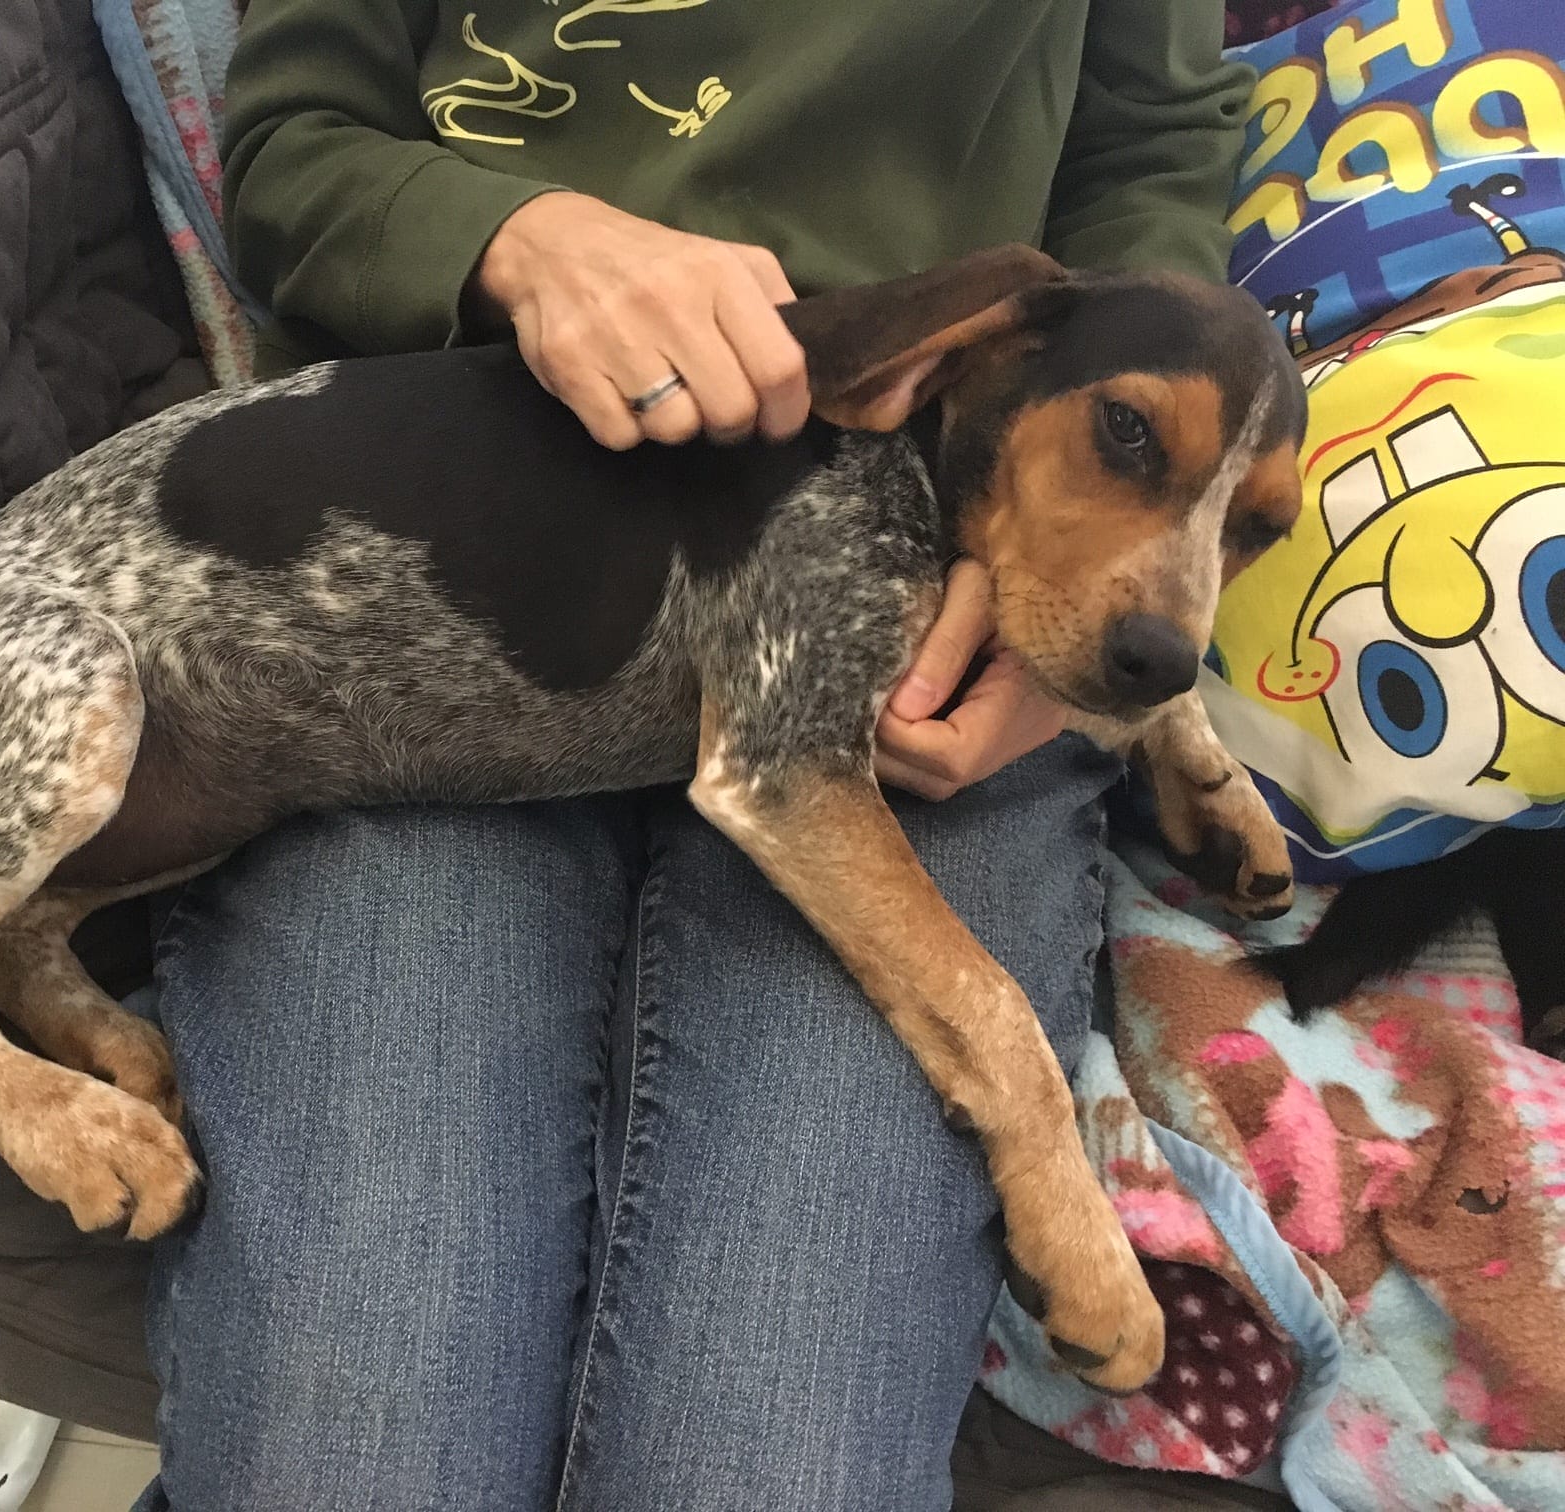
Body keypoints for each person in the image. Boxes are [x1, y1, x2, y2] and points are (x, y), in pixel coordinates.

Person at [134, 5, 1254, 1508]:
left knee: (766, 1467)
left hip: (927, 566)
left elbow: (1152, 148)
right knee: (358, 1454)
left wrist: (1072, 606)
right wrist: (523, 235)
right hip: (450, 538)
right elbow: (291, 148)